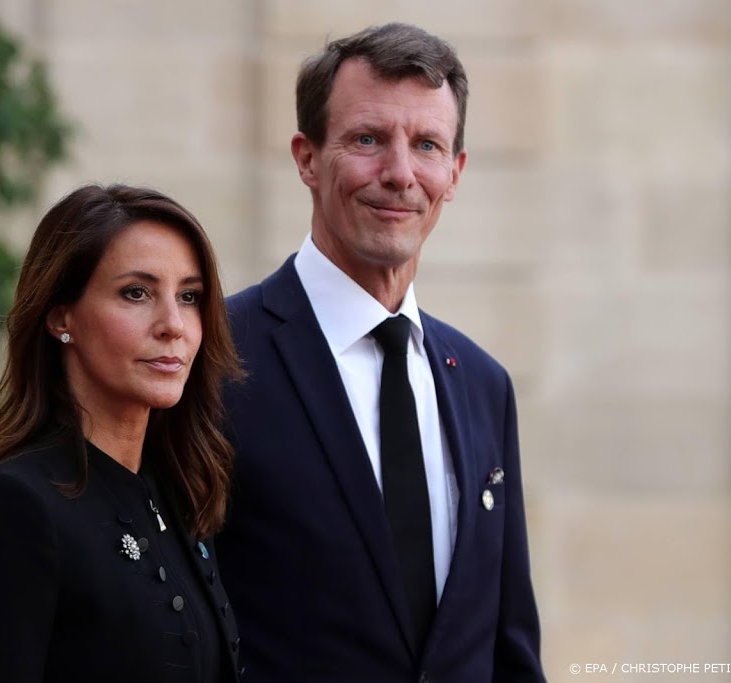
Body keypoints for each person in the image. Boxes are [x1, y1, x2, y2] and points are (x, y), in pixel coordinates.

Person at [215, 23, 547, 682]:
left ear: (454, 173)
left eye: (426, 145)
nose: (400, 174)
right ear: (308, 159)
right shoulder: (216, 356)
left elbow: (509, 650)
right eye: (368, 140)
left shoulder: (484, 385)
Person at [0, 184, 244, 682]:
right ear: (62, 317)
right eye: (136, 293)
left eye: (189, 297)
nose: (174, 325)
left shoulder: (181, 494)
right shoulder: (14, 508)